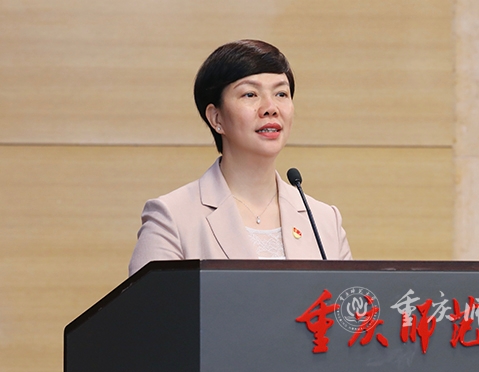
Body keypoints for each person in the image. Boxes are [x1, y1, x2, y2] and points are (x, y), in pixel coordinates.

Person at [129, 39, 352, 276]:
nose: (271, 108)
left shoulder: (324, 220)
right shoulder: (172, 218)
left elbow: (348, 298)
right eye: (250, 94)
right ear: (216, 118)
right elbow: (151, 301)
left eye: (281, 93)